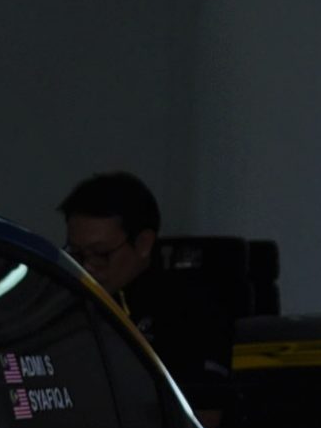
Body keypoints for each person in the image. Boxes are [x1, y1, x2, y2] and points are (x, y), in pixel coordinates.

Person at [59, 170, 227, 402]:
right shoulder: (65, 301)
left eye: (100, 253)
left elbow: (204, 413)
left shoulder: (190, 309)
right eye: (76, 253)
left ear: (143, 243)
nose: (86, 266)